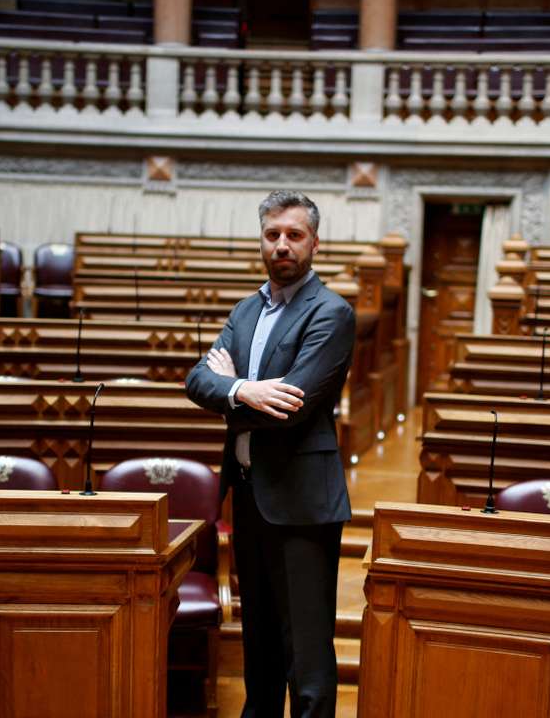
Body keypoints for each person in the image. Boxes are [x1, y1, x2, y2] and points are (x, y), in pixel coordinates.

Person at [185, 190, 355, 717]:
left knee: (305, 655)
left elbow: (293, 403)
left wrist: (233, 385)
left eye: (294, 235)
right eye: (272, 234)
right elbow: (197, 380)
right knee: (258, 645)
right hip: (250, 494)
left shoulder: (332, 312)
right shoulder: (245, 309)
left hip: (302, 503)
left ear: (315, 244)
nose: (282, 245)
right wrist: (243, 390)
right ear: (261, 240)